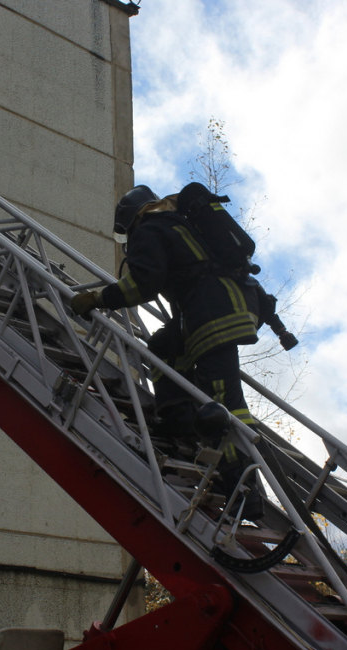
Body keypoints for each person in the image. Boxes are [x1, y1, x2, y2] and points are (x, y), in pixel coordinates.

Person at [70, 185, 265, 520]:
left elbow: (142, 284)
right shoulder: (180, 222)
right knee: (163, 347)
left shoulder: (149, 229)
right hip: (226, 305)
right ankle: (179, 418)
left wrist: (98, 299)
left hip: (211, 314)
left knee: (225, 401)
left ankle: (245, 491)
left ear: (131, 220)